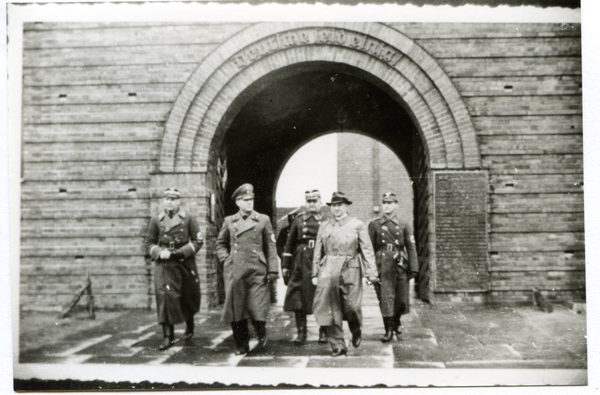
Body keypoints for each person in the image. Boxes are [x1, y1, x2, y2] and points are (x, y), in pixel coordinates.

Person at [311, 191, 379, 356]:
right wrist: (315, 273)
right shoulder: (325, 225)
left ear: (346, 206)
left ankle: (356, 328)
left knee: (352, 306)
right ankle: (337, 345)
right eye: (333, 205)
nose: (336, 209)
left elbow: (367, 251)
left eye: (339, 205)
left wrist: (371, 273)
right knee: (331, 309)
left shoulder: (357, 225)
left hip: (350, 270)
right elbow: (318, 251)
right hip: (328, 270)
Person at [216, 183, 279, 355]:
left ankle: (261, 335)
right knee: (237, 309)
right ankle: (241, 344)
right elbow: (220, 244)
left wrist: (273, 270)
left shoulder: (263, 219)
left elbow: (271, 246)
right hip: (235, 271)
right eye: (245, 200)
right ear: (238, 202)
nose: (250, 202)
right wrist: (226, 259)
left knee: (257, 305)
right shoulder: (229, 221)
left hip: (257, 269)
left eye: (251, 199)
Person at [144, 188, 203, 351]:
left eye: (173, 199)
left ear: (178, 201)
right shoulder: (156, 219)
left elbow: (198, 242)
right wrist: (158, 252)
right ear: (164, 201)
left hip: (184, 261)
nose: (169, 201)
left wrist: (182, 252)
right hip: (164, 263)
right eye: (167, 199)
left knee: (188, 296)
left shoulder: (189, 218)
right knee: (165, 298)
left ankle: (189, 327)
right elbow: (149, 243)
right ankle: (167, 336)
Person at [368, 192, 418, 342]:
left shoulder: (403, 224)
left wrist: (413, 268)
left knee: (401, 300)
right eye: (384, 203)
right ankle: (388, 329)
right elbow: (369, 249)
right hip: (382, 264)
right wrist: (370, 270)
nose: (387, 206)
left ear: (396, 205)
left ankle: (396, 321)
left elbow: (411, 246)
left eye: (390, 203)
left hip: (400, 263)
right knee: (386, 298)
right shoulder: (375, 224)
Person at [281, 190, 329, 345]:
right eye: (309, 201)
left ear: (320, 202)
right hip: (301, 263)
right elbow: (289, 244)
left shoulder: (327, 220)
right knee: (298, 298)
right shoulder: (299, 220)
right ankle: (302, 332)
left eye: (315, 201)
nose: (312, 204)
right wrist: (285, 266)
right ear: (305, 203)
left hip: (320, 261)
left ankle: (323, 331)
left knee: (323, 298)